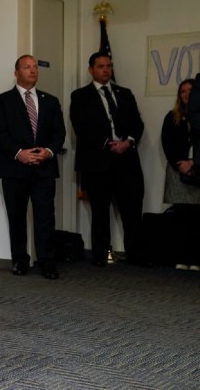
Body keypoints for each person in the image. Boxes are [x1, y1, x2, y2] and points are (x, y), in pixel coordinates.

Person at [0, 55, 66, 279]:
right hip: (13, 168)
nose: (32, 71)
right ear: (16, 73)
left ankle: (47, 262)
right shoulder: (0, 101)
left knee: (45, 216)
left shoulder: (50, 101)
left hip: (44, 168)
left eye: (34, 67)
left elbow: (59, 133)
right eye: (26, 67)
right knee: (17, 216)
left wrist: (48, 152)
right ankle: (20, 260)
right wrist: (18, 154)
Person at [70, 52, 145, 267]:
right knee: (100, 210)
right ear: (91, 69)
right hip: (97, 161)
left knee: (131, 209)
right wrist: (106, 143)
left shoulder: (125, 93)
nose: (106, 70)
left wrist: (127, 142)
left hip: (126, 160)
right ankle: (100, 255)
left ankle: (136, 254)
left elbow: (137, 124)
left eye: (109, 66)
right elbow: (81, 127)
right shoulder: (80, 96)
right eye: (101, 66)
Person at [160, 79, 200, 270]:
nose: (186, 94)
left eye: (190, 90)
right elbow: (167, 144)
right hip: (178, 171)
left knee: (197, 217)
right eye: (182, 91)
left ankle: (196, 259)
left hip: (198, 170)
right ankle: (182, 257)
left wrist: (194, 162)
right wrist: (181, 164)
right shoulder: (172, 117)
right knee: (181, 216)